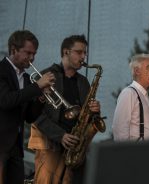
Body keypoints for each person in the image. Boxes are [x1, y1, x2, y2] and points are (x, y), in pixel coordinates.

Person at [28, 35, 102, 184]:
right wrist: (61, 135)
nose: (83, 56)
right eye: (79, 52)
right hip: (50, 146)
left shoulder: (83, 81)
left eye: (85, 53)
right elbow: (35, 115)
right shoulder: (45, 76)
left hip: (75, 148)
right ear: (66, 52)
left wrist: (95, 111)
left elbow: (87, 115)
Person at [0, 30, 55, 184]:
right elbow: (6, 101)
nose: (32, 58)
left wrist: (41, 98)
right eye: (28, 53)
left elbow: (30, 117)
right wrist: (37, 86)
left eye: (34, 54)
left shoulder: (26, 78)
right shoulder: (1, 70)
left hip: (15, 148)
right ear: (13, 50)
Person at [112, 54, 149, 141]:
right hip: (135, 153)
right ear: (137, 71)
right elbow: (119, 129)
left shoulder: (145, 97)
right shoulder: (129, 93)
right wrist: (126, 153)